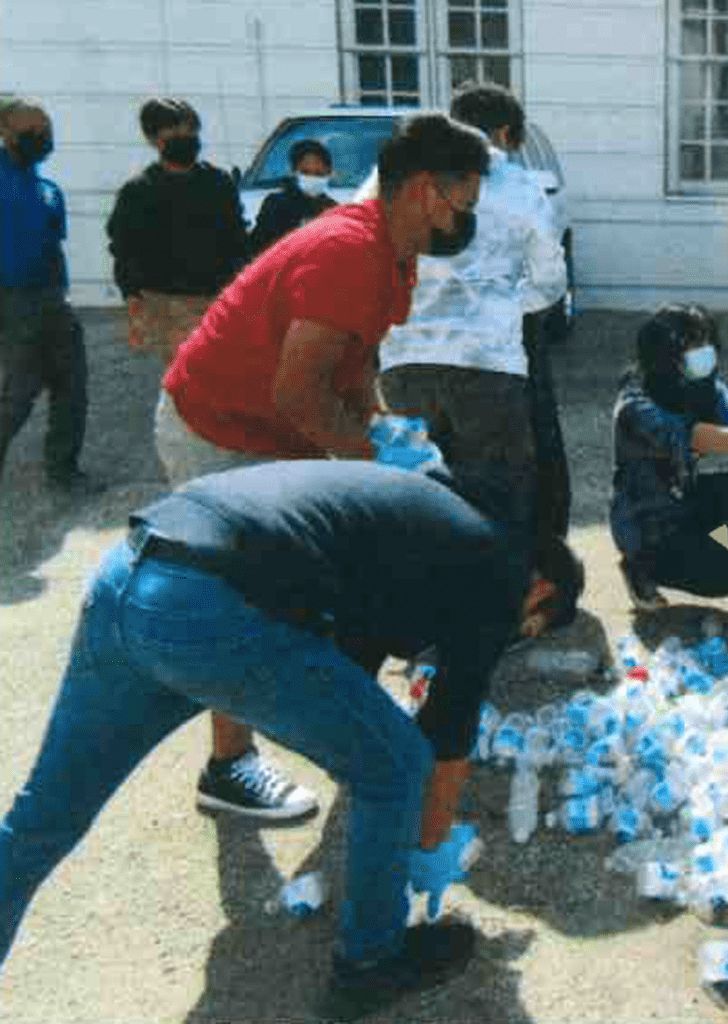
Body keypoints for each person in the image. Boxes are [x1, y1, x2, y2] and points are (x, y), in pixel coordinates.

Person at [0, 459, 583, 1021]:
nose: (514, 634)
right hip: (206, 607)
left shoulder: (425, 525)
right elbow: (448, 734)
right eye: (527, 627)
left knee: (45, 815)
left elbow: (351, 659)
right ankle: (371, 961)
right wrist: (428, 848)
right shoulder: (501, 570)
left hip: (129, 572)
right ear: (541, 592)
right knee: (399, 766)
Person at [152, 112, 490, 820]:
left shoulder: (393, 254)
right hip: (218, 426)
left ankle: (321, 715)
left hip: (266, 426)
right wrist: (376, 462)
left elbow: (354, 357)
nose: (472, 212)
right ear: (428, 190)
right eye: (469, 196)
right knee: (242, 599)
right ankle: (228, 766)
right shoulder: (349, 252)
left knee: (304, 578)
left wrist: (379, 421)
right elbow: (296, 393)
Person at [376, 82, 568, 543]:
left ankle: (432, 597)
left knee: (414, 486)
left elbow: (364, 248)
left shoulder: (393, 178)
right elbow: (549, 280)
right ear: (504, 134)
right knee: (497, 488)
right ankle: (502, 595)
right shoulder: (521, 188)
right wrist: (502, 306)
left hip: (404, 357)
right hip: (488, 362)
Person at [610, 303, 728, 634]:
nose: (706, 353)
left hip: (686, 501)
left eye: (707, 342)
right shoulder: (634, 405)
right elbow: (695, 438)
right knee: (722, 574)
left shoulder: (704, 385)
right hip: (651, 529)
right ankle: (640, 568)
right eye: (693, 345)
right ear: (664, 354)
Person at [106, 98, 248, 364]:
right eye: (174, 131)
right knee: (188, 374)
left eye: (191, 130)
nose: (185, 136)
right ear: (153, 138)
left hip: (220, 298)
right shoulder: (138, 191)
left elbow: (238, 240)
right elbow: (124, 250)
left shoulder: (219, 183)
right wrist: (135, 305)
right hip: (166, 302)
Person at [0, 97, 90, 493]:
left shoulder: (48, 189)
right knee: (18, 394)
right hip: (12, 301)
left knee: (72, 387)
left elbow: (53, 247)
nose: (42, 136)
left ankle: (64, 471)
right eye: (32, 129)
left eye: (47, 128)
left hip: (53, 299)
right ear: (6, 131)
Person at [249, 138, 338, 253]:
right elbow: (259, 247)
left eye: (318, 174)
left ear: (329, 173)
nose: (312, 178)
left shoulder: (332, 209)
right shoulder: (276, 204)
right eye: (305, 172)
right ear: (293, 171)